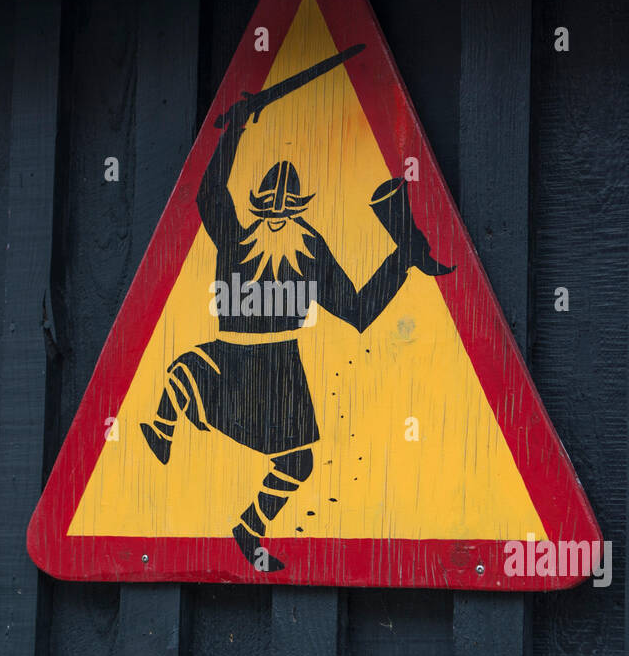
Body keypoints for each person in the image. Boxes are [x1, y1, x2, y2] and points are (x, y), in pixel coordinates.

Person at [141, 53, 452, 571]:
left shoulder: (306, 251)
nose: (279, 217)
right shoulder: (238, 240)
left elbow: (355, 310)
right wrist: (235, 129)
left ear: (300, 209)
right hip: (237, 358)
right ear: (260, 208)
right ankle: (166, 412)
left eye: (286, 209)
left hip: (282, 370)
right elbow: (208, 192)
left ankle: (247, 528)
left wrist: (403, 262)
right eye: (271, 208)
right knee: (196, 369)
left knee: (299, 461)